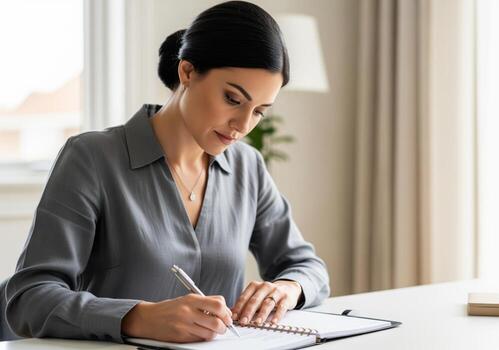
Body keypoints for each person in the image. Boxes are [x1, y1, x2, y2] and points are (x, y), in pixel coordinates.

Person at [5, 0, 330, 344]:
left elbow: (308, 268)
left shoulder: (247, 167)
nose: (242, 125)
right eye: (233, 99)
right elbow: (28, 299)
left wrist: (288, 288)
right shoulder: (92, 158)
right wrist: (136, 317)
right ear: (187, 72)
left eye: (259, 111)